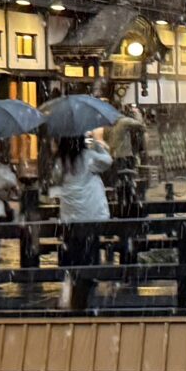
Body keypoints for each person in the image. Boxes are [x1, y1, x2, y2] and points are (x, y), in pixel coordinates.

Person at [51, 133, 112, 311]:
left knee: (74, 247)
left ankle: (75, 277)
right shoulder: (88, 157)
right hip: (91, 215)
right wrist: (98, 144)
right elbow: (108, 161)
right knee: (90, 245)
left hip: (71, 217)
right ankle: (88, 278)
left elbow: (56, 180)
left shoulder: (60, 162)